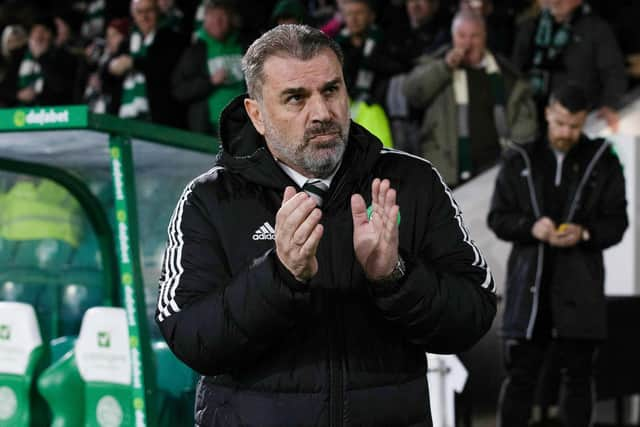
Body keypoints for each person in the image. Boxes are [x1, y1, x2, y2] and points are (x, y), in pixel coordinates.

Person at [156, 24, 496, 426]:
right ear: (256, 114)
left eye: (331, 90)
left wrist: (395, 277)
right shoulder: (209, 199)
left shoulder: (411, 182)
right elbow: (191, 338)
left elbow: (474, 315)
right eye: (295, 98)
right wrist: (278, 277)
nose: (321, 113)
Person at [487, 84, 628, 426]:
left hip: (581, 289)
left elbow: (617, 223)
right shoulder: (519, 157)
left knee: (579, 379)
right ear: (548, 113)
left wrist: (585, 233)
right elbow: (498, 218)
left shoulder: (603, 161)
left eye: (575, 126)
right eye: (561, 123)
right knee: (520, 378)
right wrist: (531, 228)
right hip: (529, 289)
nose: (567, 133)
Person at [403, 10, 537, 187]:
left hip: (496, 172)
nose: (467, 43)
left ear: (484, 36)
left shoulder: (505, 73)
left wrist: (513, 159)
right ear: (452, 37)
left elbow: (524, 122)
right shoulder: (437, 64)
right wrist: (445, 67)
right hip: (447, 176)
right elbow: (412, 92)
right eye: (461, 36)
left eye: (474, 36)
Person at [512, 0, 627, 131]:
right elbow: (515, 70)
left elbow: (614, 72)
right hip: (533, 114)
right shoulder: (531, 26)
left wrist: (609, 105)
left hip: (577, 118)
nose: (555, 2)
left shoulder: (596, 28)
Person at [171, 0, 245, 135]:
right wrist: (210, 82)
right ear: (204, 21)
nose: (217, 22)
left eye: (222, 17)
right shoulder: (195, 52)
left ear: (231, 19)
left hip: (246, 126)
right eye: (212, 17)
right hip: (210, 129)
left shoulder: (246, 46)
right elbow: (180, 90)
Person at [111, 0, 186, 127]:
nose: (144, 16)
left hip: (159, 119)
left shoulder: (171, 38)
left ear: (158, 12)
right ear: (134, 15)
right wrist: (111, 67)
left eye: (149, 11)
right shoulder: (126, 44)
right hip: (125, 118)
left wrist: (133, 63)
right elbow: (108, 72)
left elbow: (163, 68)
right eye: (140, 12)